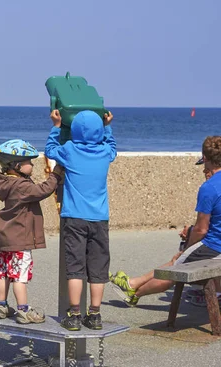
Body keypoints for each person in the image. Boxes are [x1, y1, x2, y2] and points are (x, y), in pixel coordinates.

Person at [110, 150, 221, 306]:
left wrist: (188, 245)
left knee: (176, 267)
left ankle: (135, 293)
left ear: (209, 161)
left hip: (216, 246)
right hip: (215, 243)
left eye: (205, 167)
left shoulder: (210, 187)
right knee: (179, 258)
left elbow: (202, 229)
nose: (204, 172)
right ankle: (134, 283)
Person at [45, 109, 116, 331]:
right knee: (97, 268)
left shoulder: (70, 150)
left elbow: (50, 150)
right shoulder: (105, 152)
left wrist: (56, 127)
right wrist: (107, 128)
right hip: (99, 219)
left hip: (74, 218)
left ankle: (74, 314)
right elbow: (112, 147)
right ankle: (94, 314)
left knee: (75, 267)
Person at [0, 139, 64, 324]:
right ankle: (23, 310)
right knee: (19, 276)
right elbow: (43, 190)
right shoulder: (22, 186)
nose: (31, 165)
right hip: (21, 238)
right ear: (16, 165)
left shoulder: (5, 182)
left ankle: (1, 305)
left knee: (4, 273)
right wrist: (56, 174)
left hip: (7, 238)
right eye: (28, 162)